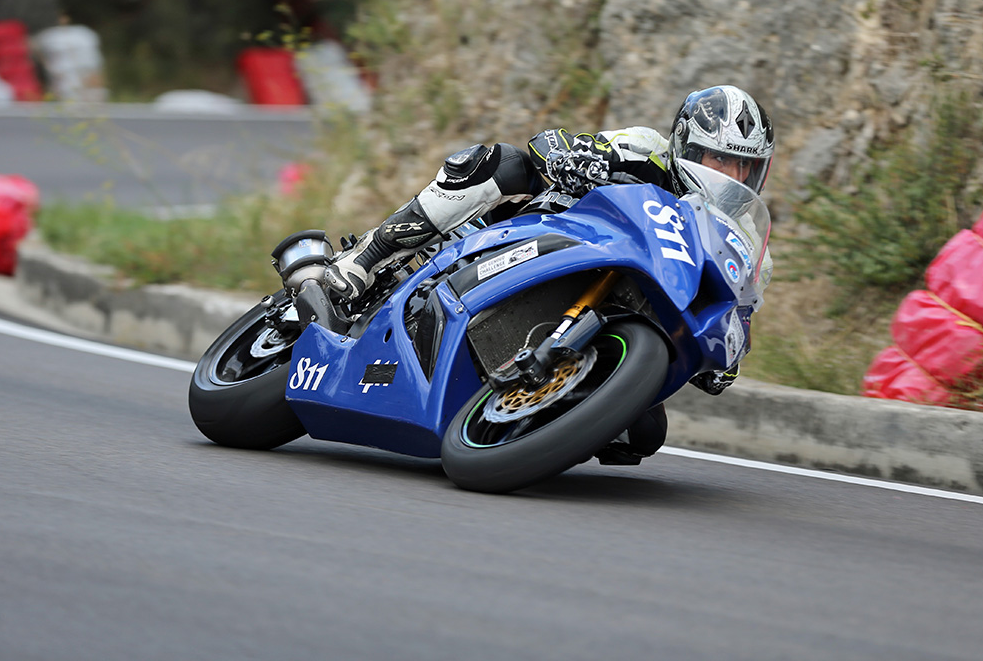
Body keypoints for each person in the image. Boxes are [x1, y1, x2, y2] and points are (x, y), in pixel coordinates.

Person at [323, 84, 775, 461]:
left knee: (643, 435)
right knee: (500, 162)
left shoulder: (743, 243)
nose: (730, 176)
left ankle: (531, 418)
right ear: (684, 145)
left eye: (745, 167)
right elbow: (550, 144)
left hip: (619, 309)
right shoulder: (646, 149)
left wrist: (726, 353)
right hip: (549, 240)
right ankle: (366, 256)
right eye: (719, 160)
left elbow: (737, 318)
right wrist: (575, 158)